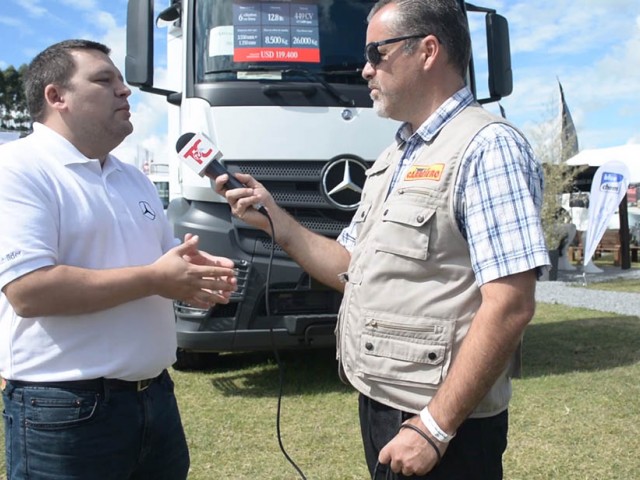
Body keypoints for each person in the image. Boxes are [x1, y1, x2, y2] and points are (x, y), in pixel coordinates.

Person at [215, 0, 549, 477]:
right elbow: (351, 265)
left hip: (439, 421)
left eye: (377, 52)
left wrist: (434, 427)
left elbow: (511, 303)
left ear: (428, 50)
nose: (364, 69)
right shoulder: (397, 154)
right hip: (385, 404)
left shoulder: (488, 147)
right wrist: (275, 219)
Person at [0, 39, 237, 480]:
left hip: (155, 398)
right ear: (57, 97)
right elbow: (29, 290)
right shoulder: (17, 167)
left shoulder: (132, 177)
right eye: (104, 80)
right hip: (65, 410)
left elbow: (162, 265)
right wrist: (155, 278)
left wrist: (194, 276)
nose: (125, 91)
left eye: (123, 80)